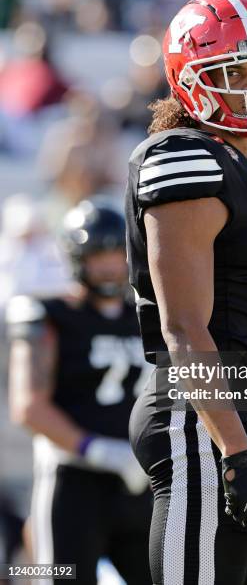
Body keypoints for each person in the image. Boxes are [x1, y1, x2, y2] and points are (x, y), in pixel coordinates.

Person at [125, 0, 247, 585]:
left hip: (233, 411)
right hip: (197, 418)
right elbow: (184, 328)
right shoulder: (184, 157)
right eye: (235, 70)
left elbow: (241, 322)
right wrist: (236, 449)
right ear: (194, 80)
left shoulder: (239, 162)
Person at [7, 199, 153, 585]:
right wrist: (98, 450)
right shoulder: (47, 313)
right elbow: (28, 407)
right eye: (97, 254)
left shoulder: (147, 318)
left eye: (114, 253)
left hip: (140, 482)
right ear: (76, 257)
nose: (108, 265)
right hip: (73, 480)